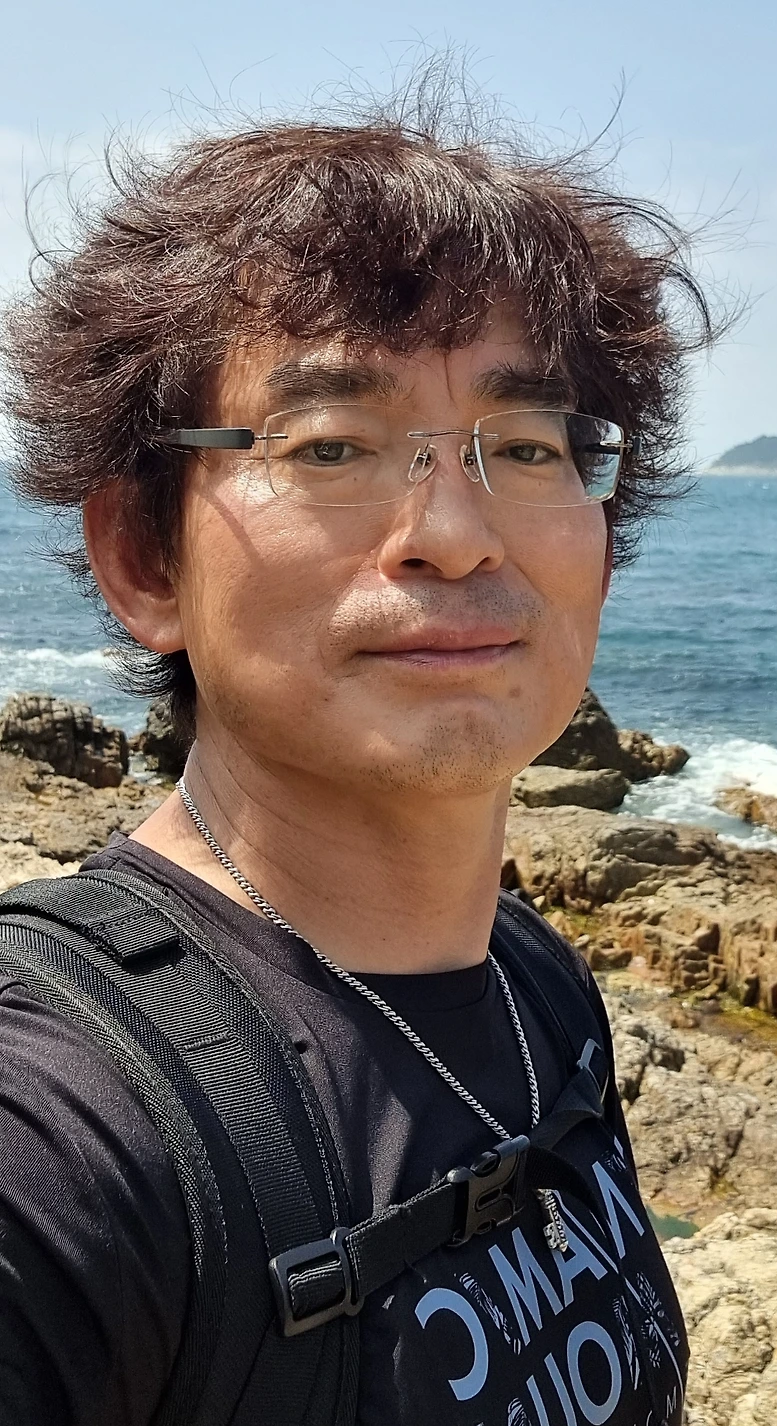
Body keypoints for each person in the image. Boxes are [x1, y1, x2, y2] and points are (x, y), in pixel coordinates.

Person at [0, 89, 718, 1425]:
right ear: (146, 558)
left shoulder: (539, 985)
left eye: (526, 445)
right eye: (330, 445)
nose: (454, 530)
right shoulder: (67, 1117)